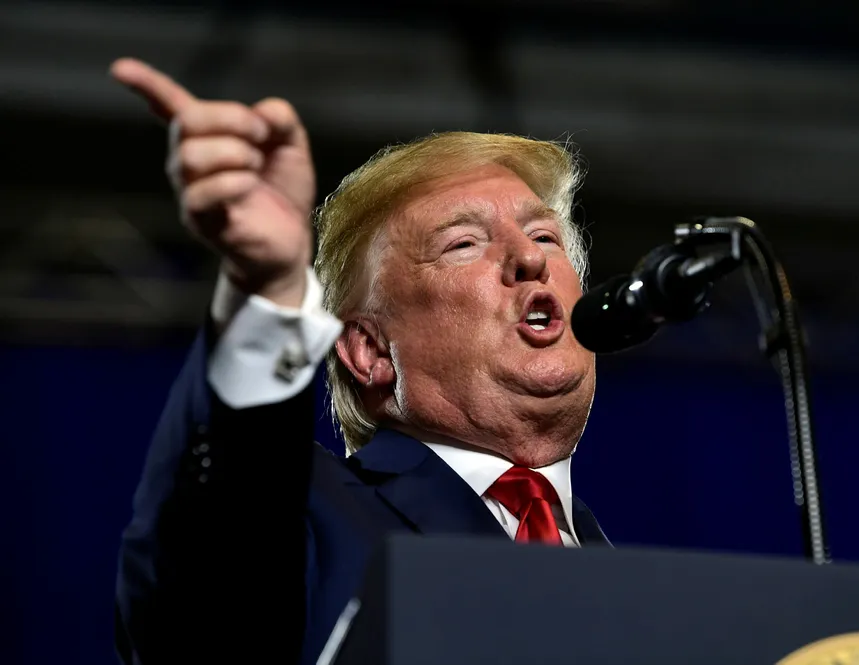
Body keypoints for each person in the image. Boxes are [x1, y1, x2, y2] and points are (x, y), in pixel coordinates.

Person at [111, 57, 608, 665]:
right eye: (464, 243)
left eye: (545, 236)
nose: (529, 259)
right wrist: (265, 291)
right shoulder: (309, 513)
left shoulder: (623, 579)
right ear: (370, 351)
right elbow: (198, 591)